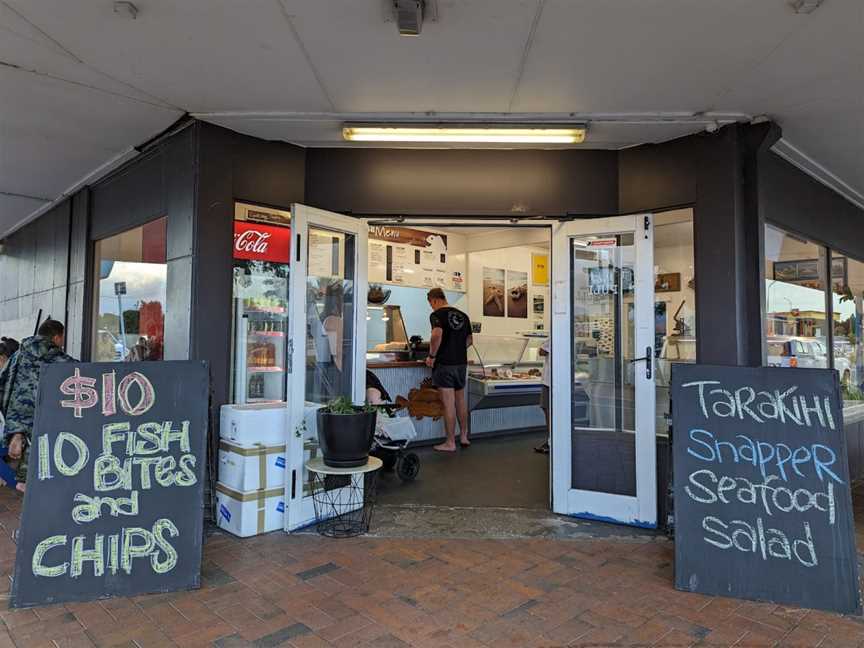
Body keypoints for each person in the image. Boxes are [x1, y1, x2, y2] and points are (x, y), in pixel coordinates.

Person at [0, 320, 75, 488]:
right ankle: (35, 497)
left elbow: (2, 382)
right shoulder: (56, 357)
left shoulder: (18, 355)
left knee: (25, 468)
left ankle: (18, 437)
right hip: (43, 414)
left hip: (17, 411)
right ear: (56, 337)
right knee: (42, 456)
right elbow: (82, 371)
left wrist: (9, 415)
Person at [425, 288, 472, 452]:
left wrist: (432, 355)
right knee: (460, 401)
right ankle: (464, 437)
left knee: (448, 405)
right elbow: (469, 340)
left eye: (431, 304)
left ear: (435, 300)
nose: (431, 307)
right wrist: (456, 349)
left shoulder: (437, 315)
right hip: (461, 364)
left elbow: (436, 335)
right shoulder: (463, 316)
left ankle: (450, 442)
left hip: (445, 365)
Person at [534, 338, 551, 454]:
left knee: (548, 410)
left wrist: (542, 344)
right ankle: (551, 440)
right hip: (551, 380)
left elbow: (541, 351)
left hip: (549, 380)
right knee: (548, 410)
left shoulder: (553, 335)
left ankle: (551, 441)